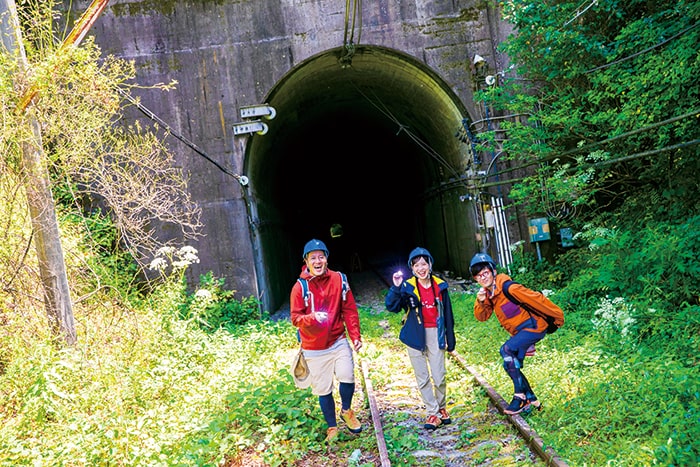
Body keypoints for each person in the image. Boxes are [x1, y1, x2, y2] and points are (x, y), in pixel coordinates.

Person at [470, 252, 563, 415]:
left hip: (534, 327)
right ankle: (533, 401)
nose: (483, 277)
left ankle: (519, 397)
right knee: (510, 364)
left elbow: (537, 299)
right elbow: (482, 317)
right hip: (520, 333)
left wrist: (557, 318)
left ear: (493, 271)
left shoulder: (509, 288)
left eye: (485, 272)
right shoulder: (490, 294)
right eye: (478, 276)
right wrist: (481, 300)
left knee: (505, 350)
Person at [290, 239, 363, 442]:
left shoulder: (339, 279)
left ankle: (346, 411)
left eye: (321, 256)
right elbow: (295, 318)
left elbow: (349, 310)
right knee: (323, 389)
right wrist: (312, 318)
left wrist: (355, 335)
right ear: (306, 261)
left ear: (327, 259)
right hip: (313, 347)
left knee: (347, 375)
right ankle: (332, 427)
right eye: (313, 257)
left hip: (337, 340)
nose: (318, 261)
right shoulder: (299, 287)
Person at [385, 247, 456, 430]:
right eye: (416, 265)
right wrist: (396, 286)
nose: (421, 268)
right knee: (422, 377)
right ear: (412, 268)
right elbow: (391, 306)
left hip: (435, 333)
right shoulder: (408, 287)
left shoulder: (440, 286)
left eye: (424, 264)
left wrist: (450, 337)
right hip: (415, 334)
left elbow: (447, 313)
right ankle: (432, 412)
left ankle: (441, 407)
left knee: (439, 375)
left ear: (430, 265)